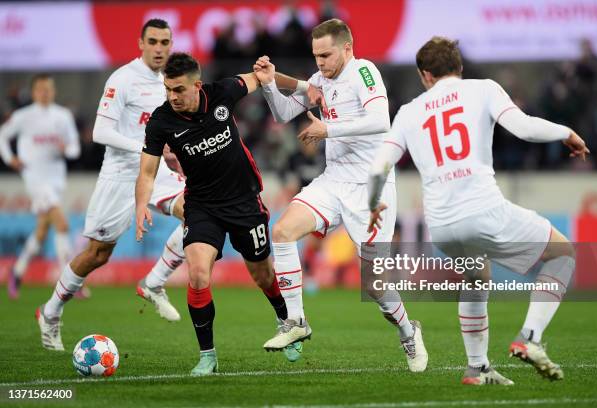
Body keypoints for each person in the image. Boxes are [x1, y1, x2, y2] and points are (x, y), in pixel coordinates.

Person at [367, 36, 589, 385]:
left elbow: (379, 165)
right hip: (483, 210)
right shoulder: (483, 89)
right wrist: (566, 132)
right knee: (562, 253)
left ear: (425, 75)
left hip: (441, 225)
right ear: (460, 67)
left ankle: (477, 368)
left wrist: (373, 204)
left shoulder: (409, 111)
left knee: (476, 277)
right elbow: (525, 128)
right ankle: (530, 338)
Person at [253, 18, 428, 372]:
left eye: (326, 55)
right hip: (333, 180)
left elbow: (381, 120)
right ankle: (297, 321)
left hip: (372, 188)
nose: (320, 63)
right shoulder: (319, 80)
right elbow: (284, 112)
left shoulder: (365, 72)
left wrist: (328, 129)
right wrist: (270, 85)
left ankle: (409, 332)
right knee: (283, 231)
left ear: (347, 48)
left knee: (374, 285)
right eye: (316, 55)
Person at [35, 19, 188, 352]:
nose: (160, 48)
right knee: (96, 255)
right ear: (141, 43)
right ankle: (50, 313)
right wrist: (146, 148)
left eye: (165, 42)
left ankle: (154, 282)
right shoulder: (123, 79)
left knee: (200, 214)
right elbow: (99, 133)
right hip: (120, 176)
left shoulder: (169, 81)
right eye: (154, 42)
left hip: (157, 172)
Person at [136, 52, 291, 376]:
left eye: (178, 90)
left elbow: (256, 78)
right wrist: (141, 204)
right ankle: (208, 356)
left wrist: (264, 71)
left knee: (263, 275)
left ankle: (285, 320)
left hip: (244, 203)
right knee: (198, 275)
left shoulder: (222, 92)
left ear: (197, 85)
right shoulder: (161, 121)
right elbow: (148, 173)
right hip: (202, 205)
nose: (172, 96)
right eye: (168, 89)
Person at [0, 74, 80, 299]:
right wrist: (10, 158)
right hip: (34, 177)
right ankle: (71, 281)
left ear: (53, 91)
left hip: (56, 178)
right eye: (41, 89)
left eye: (48, 89)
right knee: (62, 224)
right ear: (34, 92)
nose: (45, 93)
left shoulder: (63, 116)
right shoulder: (23, 116)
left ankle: (16, 272)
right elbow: (2, 136)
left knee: (42, 231)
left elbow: (74, 147)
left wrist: (66, 150)